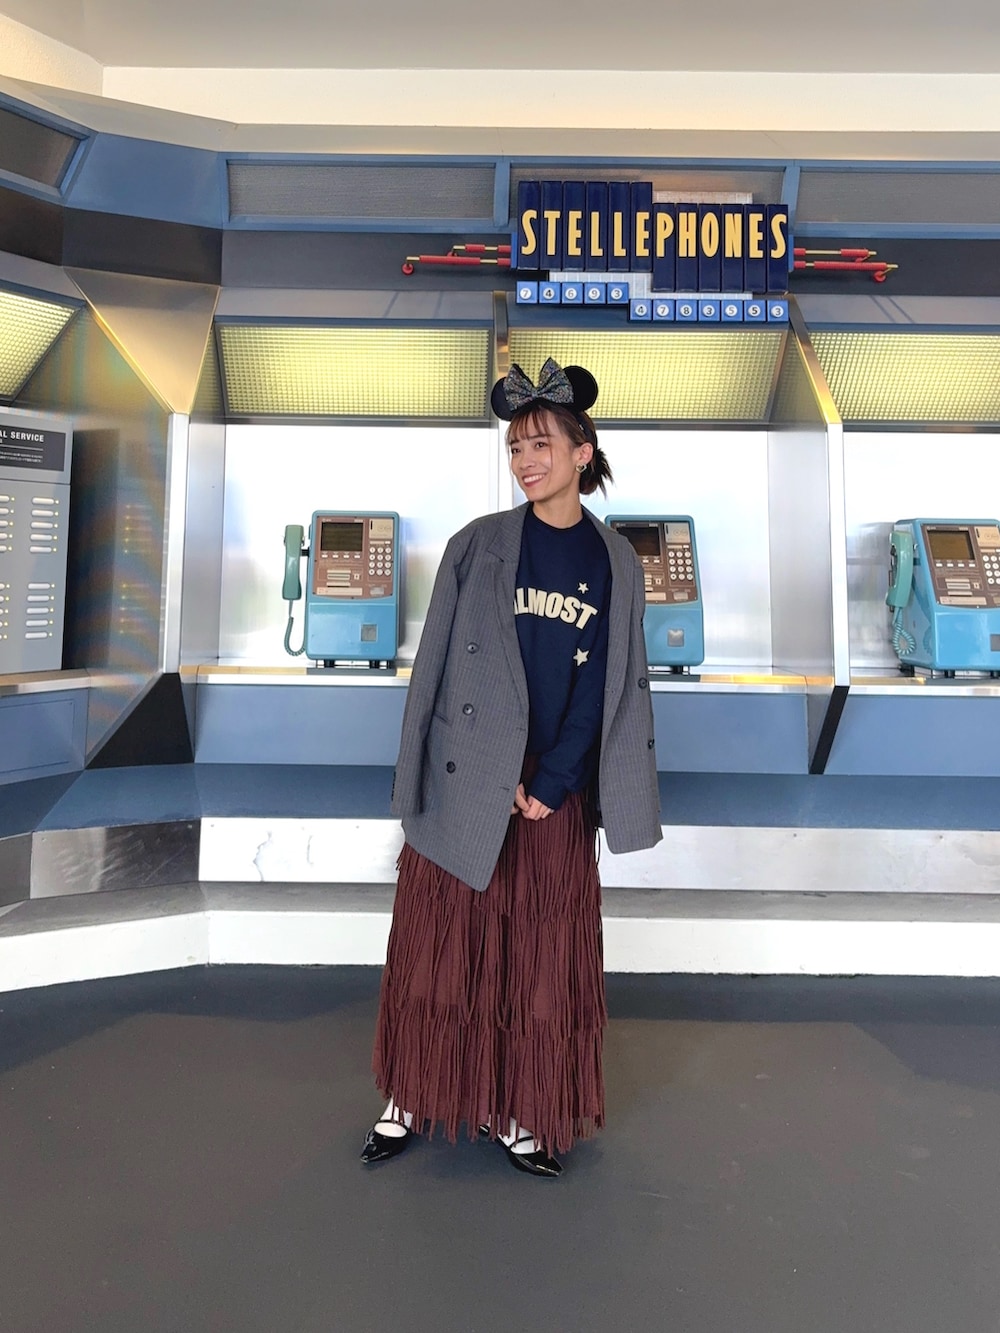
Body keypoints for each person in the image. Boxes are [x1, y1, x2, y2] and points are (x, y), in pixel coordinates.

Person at [362, 357, 662, 1177]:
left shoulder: (615, 561)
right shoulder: (478, 545)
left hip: (553, 783)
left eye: (541, 445)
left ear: (582, 453)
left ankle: (521, 1106)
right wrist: (415, 777)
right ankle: (412, 1093)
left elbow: (607, 682)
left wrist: (556, 781)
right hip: (468, 772)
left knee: (540, 955)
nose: (526, 461)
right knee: (440, 944)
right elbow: (432, 672)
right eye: (516, 447)